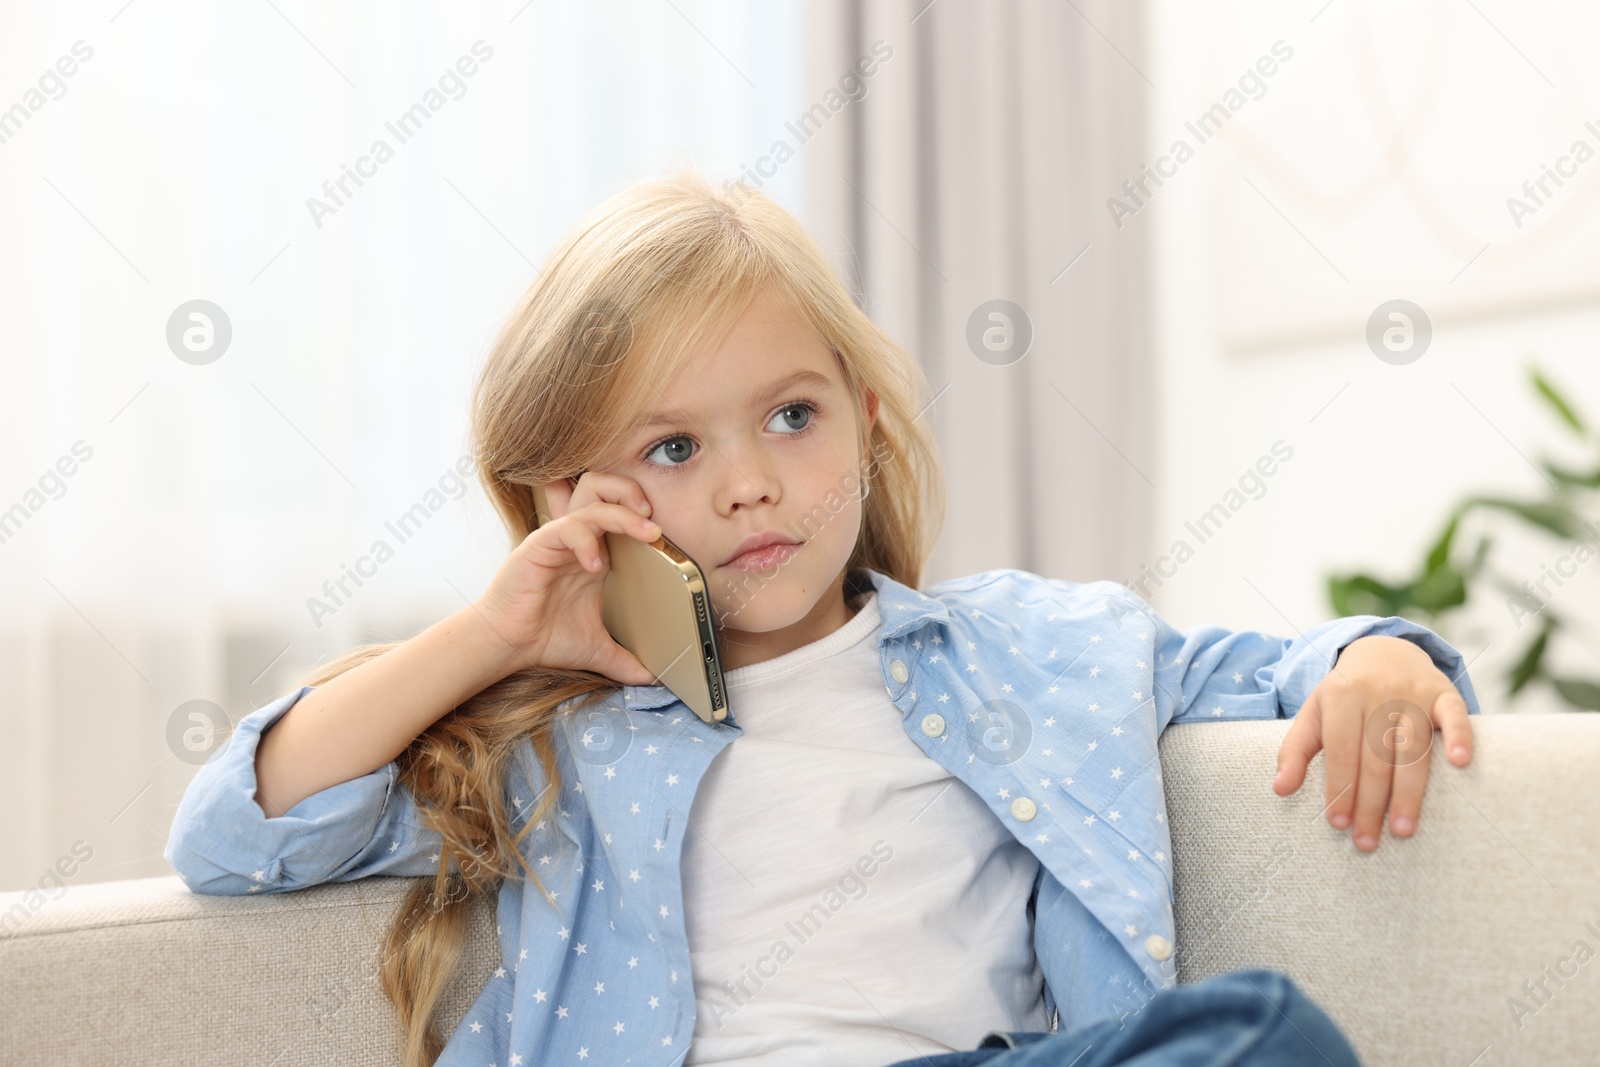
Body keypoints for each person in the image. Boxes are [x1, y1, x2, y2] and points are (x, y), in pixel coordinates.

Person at [165, 170, 1479, 1067]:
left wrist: (1372, 658)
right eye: (674, 447)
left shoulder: (1039, 650)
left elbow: (1276, 668)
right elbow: (235, 832)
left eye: (792, 416)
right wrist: (496, 636)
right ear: (580, 498)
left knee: (1256, 1034)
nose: (749, 482)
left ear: (862, 415)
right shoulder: (549, 742)